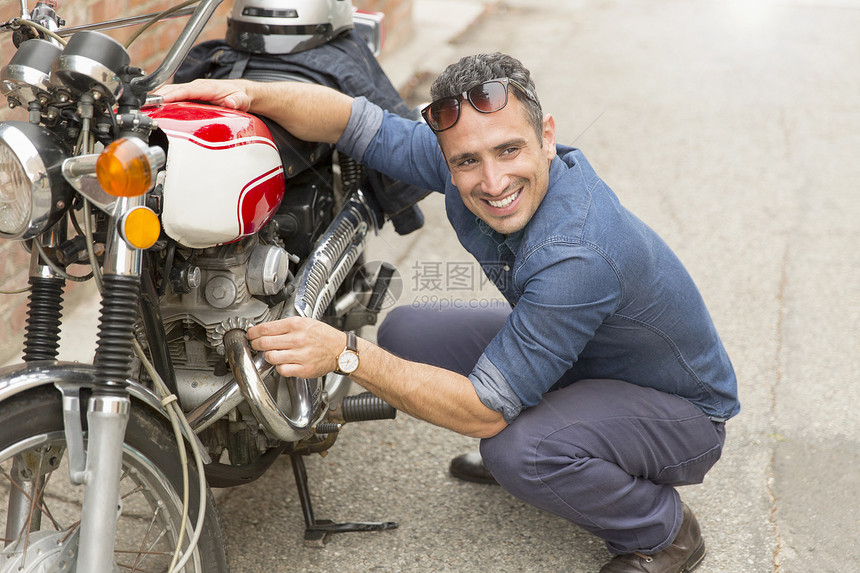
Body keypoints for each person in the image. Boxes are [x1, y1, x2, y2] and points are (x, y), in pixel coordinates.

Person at [158, 52, 739, 573]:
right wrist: (250, 97)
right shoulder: (465, 159)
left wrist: (343, 353)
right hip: (590, 360)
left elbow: (482, 413)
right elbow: (348, 120)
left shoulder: (578, 253)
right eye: (467, 161)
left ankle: (660, 529)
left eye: (509, 150)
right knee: (409, 331)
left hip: (681, 414)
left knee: (513, 446)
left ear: (547, 138)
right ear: (448, 157)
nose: (492, 181)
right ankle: (559, 438)